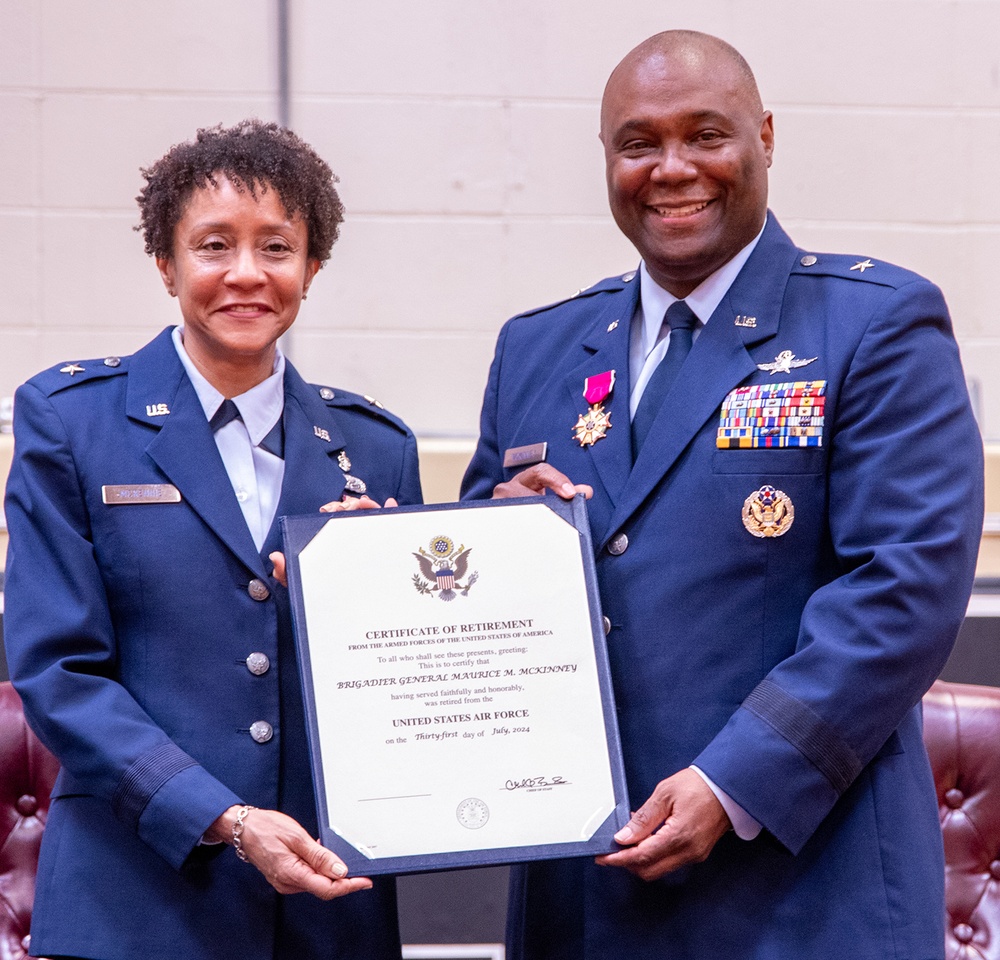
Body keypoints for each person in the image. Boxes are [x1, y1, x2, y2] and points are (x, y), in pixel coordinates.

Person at [461, 30, 984, 960]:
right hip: (580, 895)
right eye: (638, 144)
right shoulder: (536, 349)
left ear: (766, 138)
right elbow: (472, 607)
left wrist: (735, 781)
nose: (672, 169)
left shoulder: (873, 325)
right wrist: (485, 549)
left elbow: (900, 593)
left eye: (706, 135)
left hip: (800, 889)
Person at [4, 119, 420, 960]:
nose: (245, 274)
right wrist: (220, 819)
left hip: (327, 907)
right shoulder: (73, 423)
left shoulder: (376, 448)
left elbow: (404, 686)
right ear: (166, 263)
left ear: (311, 267)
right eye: (213, 245)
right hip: (137, 905)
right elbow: (59, 671)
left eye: (277, 247)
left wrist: (373, 598)